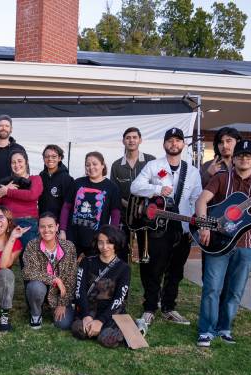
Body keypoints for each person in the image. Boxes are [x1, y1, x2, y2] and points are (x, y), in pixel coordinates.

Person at [195, 140, 251, 347]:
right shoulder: (221, 178)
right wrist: (203, 226)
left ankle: (224, 328)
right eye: (240, 155)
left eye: (248, 156)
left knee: (235, 291)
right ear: (234, 159)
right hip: (218, 242)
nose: (243, 159)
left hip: (245, 246)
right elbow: (201, 201)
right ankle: (206, 330)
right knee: (212, 288)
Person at [130, 127, 202, 327]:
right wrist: (157, 189)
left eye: (178, 140)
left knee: (176, 271)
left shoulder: (193, 172)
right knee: (153, 268)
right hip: (158, 227)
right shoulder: (154, 166)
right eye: (170, 140)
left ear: (183, 144)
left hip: (183, 227)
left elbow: (197, 199)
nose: (174, 144)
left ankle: (169, 307)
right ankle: (150, 308)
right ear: (164, 144)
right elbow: (135, 187)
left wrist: (195, 226)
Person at [71, 225, 131, 348]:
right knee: (79, 330)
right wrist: (86, 315)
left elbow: (119, 299)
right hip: (89, 309)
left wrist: (101, 321)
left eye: (109, 243)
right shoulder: (87, 262)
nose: (104, 247)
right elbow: (79, 291)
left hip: (110, 312)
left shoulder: (124, 268)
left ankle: (132, 327)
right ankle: (95, 328)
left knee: (107, 339)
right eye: (100, 243)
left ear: (116, 243)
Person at [22, 212, 77, 330]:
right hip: (40, 287)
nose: (46, 230)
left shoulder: (68, 247)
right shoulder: (32, 245)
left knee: (63, 324)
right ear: (38, 228)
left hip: (59, 293)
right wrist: (55, 279)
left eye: (50, 226)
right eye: (42, 226)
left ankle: (54, 307)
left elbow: (71, 277)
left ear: (57, 227)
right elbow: (27, 272)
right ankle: (36, 313)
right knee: (35, 287)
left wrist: (63, 303)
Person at [61, 151, 121, 258]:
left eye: (95, 164)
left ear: (102, 165)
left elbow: (115, 215)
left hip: (96, 239)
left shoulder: (112, 188)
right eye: (87, 165)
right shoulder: (77, 183)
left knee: (92, 271)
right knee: (69, 270)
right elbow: (66, 208)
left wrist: (111, 235)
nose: (91, 167)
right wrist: (62, 230)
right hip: (73, 236)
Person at [110, 127, 155, 259]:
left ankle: (146, 279)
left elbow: (160, 181)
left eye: (134, 137)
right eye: (128, 138)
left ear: (140, 140)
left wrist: (144, 207)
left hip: (146, 215)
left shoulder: (151, 161)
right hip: (125, 215)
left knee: (146, 254)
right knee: (122, 251)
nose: (131, 140)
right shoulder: (116, 165)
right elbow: (115, 193)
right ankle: (123, 278)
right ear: (123, 141)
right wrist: (132, 206)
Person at [0, 148, 42, 250]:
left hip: (28, 223)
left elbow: (32, 195)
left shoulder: (35, 179)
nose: (17, 165)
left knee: (28, 258)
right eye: (13, 162)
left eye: (20, 161)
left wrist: (8, 192)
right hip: (7, 224)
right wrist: (6, 188)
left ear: (26, 162)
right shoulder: (6, 182)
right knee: (4, 259)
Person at [38, 144, 75, 230]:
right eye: (47, 156)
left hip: (58, 225)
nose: (50, 159)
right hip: (43, 223)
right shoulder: (41, 176)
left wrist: (63, 228)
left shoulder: (67, 179)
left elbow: (68, 206)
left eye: (54, 156)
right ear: (43, 159)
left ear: (60, 158)